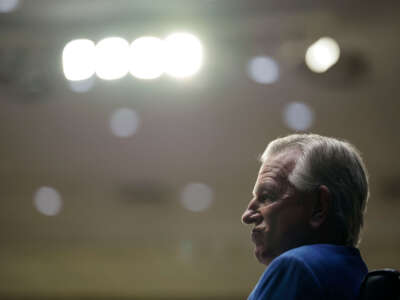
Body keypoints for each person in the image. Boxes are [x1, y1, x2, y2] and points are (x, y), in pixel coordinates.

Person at [241, 134, 369, 300]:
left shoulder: (296, 266)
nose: (247, 216)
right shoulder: (352, 273)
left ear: (319, 206)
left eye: (267, 196)